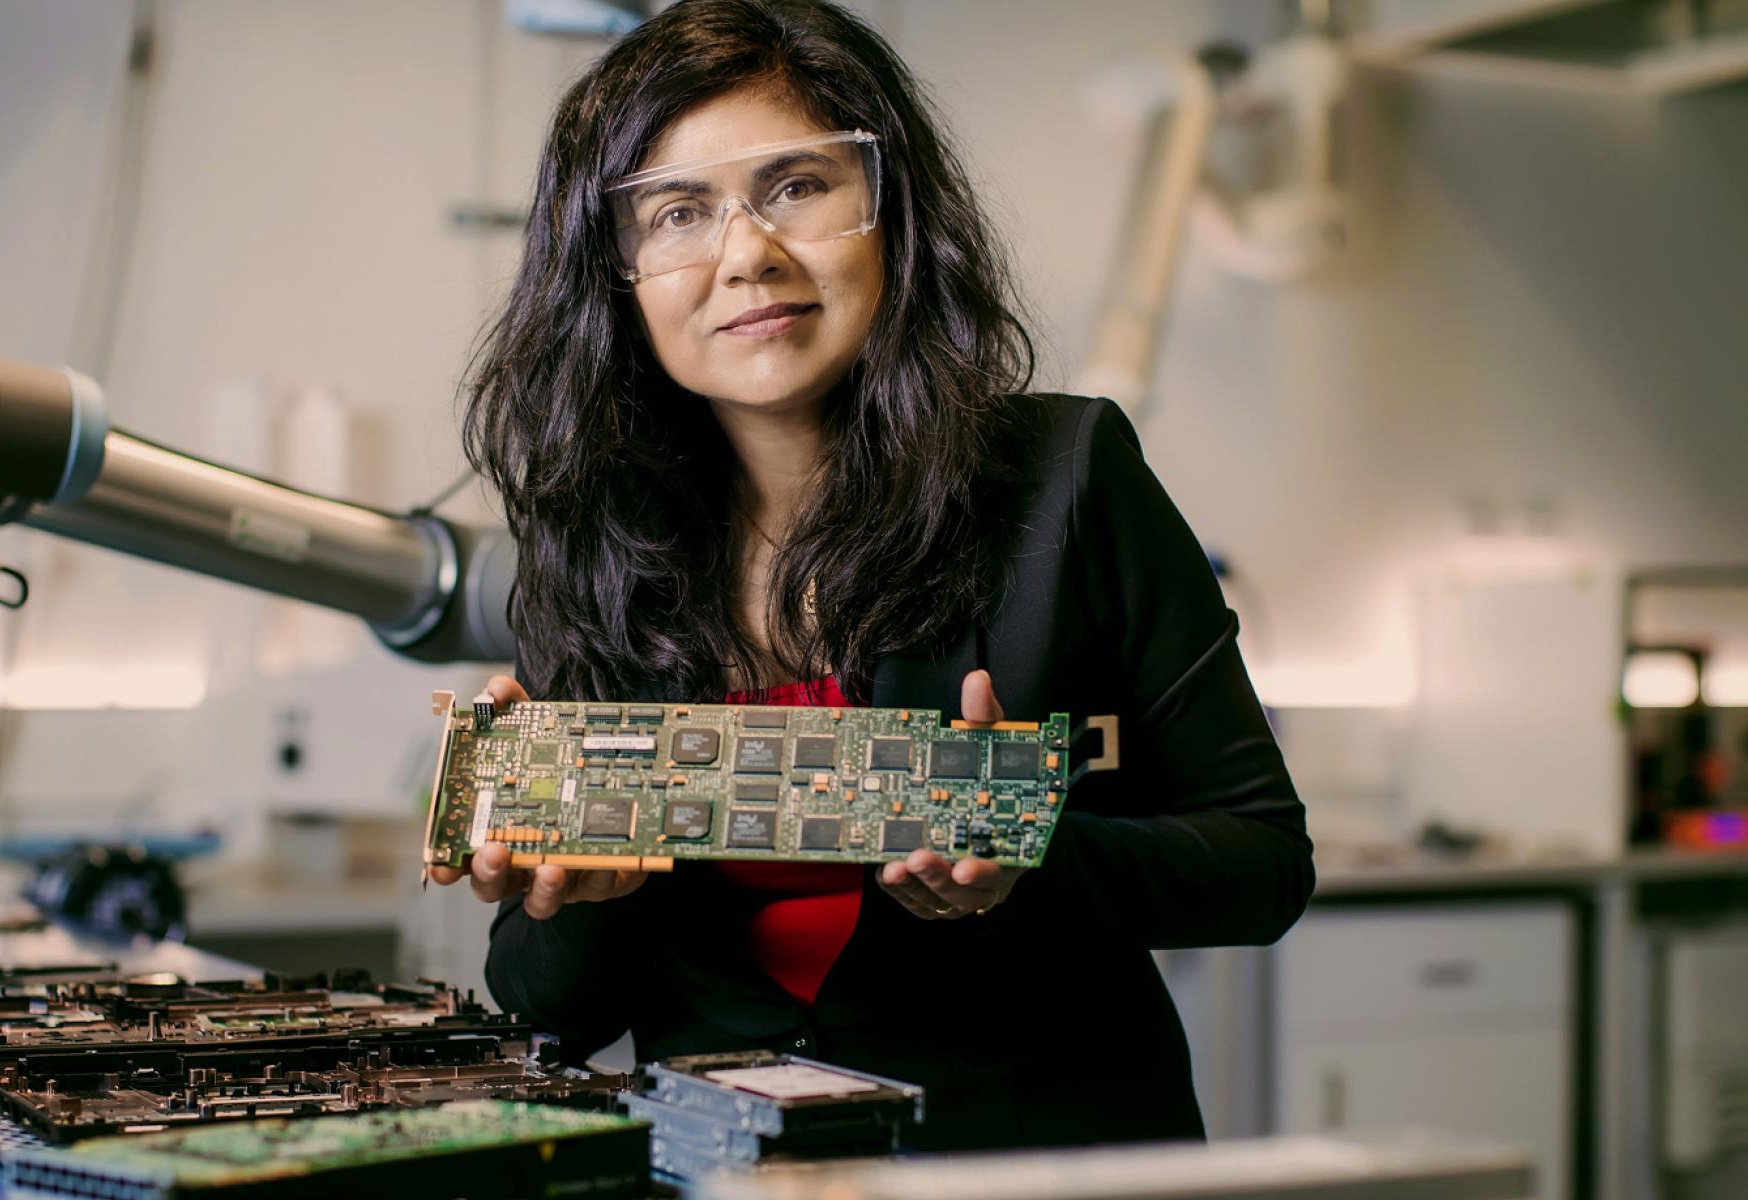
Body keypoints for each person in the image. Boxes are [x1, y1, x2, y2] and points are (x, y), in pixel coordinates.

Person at [429, 0, 1312, 1150]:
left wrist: (1023, 855)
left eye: (797, 185)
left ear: (892, 209)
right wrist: (583, 886)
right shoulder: (593, 543)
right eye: (678, 211)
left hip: (1034, 1167)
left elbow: (1262, 864)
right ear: (616, 277)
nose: (749, 252)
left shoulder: (1067, 479)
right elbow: (544, 1007)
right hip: (725, 1167)